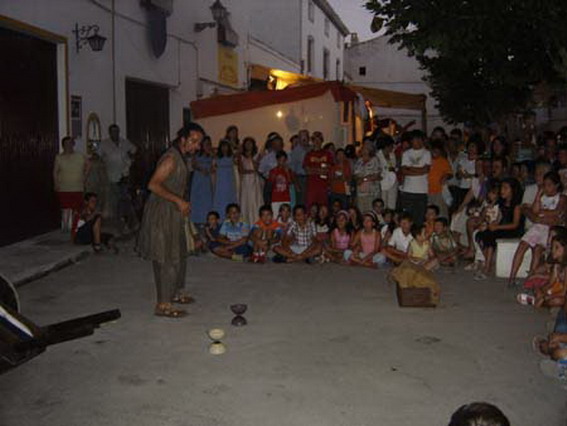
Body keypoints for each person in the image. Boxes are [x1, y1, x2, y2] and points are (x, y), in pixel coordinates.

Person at [137, 123, 204, 318]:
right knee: (166, 256)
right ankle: (163, 305)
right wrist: (178, 200)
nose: (197, 146)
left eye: (199, 142)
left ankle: (174, 293)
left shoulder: (182, 156)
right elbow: (153, 185)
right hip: (162, 211)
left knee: (179, 253)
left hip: (174, 211)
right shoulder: (170, 158)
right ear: (182, 140)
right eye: (194, 141)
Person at [509, 171, 566, 287]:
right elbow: (535, 211)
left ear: (556, 185)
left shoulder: (562, 197)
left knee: (538, 250)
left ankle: (531, 278)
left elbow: (557, 213)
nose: (546, 187)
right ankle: (512, 277)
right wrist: (538, 195)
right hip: (538, 227)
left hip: (551, 229)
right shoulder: (542, 197)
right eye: (544, 185)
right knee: (522, 245)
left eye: (549, 185)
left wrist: (541, 213)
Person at [474, 178, 525, 280]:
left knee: (491, 235)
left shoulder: (516, 206)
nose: (502, 190)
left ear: (513, 190)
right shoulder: (502, 204)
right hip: (502, 228)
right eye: (502, 188)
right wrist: (490, 225)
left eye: (506, 188)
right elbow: (499, 219)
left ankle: (487, 268)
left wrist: (497, 227)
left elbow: (515, 224)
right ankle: (490, 260)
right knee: (480, 234)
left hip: (513, 230)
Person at [99, 124, 137, 223]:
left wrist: (131, 157)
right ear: (110, 132)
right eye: (113, 131)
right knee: (113, 200)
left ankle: (125, 219)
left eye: (117, 131)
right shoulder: (104, 144)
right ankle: (115, 220)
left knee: (124, 199)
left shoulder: (124, 142)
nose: (115, 133)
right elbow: (97, 156)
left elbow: (134, 150)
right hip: (111, 176)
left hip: (124, 176)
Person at [518, 234, 567, 309]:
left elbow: (563, 292)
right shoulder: (556, 265)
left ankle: (539, 302)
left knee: (557, 301)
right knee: (538, 289)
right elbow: (550, 283)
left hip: (562, 295)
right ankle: (540, 301)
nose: (553, 250)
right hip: (556, 291)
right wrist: (542, 291)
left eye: (556, 247)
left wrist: (545, 297)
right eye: (552, 247)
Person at [53, 136, 88, 232]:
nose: (68, 146)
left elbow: (88, 165)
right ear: (63, 145)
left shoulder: (80, 156)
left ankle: (74, 227)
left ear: (73, 144)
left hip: (77, 186)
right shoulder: (59, 157)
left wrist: (84, 177)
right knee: (65, 208)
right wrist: (56, 183)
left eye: (70, 143)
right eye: (66, 144)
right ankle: (65, 227)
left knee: (76, 209)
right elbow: (55, 172)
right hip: (64, 187)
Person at [400, 130, 431, 225]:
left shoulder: (426, 153)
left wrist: (411, 169)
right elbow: (404, 171)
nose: (416, 142)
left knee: (420, 218)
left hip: (421, 191)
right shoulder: (406, 154)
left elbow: (425, 170)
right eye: (414, 139)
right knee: (408, 218)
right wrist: (418, 170)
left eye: (418, 139)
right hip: (408, 190)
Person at [303, 131, 333, 208]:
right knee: (310, 206)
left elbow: (327, 170)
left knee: (323, 206)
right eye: (315, 140)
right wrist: (319, 171)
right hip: (312, 186)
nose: (317, 142)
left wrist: (314, 170)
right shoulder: (309, 154)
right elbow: (307, 171)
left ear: (322, 141)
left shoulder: (327, 154)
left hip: (323, 186)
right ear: (312, 141)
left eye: (319, 139)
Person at [238, 137, 264, 225]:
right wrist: (250, 171)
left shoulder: (257, 155)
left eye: (250, 143)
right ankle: (246, 223)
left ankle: (256, 222)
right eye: (247, 143)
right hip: (246, 181)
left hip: (254, 180)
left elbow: (257, 168)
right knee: (246, 201)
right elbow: (241, 170)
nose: (248, 145)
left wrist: (252, 159)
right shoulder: (241, 156)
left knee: (255, 200)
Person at [190, 136, 215, 225]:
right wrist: (201, 169)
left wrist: (211, 169)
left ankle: (206, 219)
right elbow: (193, 164)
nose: (207, 145)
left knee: (207, 199)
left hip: (207, 179)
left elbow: (213, 167)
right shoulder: (196, 154)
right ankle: (196, 219)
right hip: (198, 178)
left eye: (208, 143)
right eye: (205, 143)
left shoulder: (211, 155)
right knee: (197, 198)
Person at [428, 141, 453, 218]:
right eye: (434, 150)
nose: (435, 153)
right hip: (427, 191)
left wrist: (446, 176)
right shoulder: (426, 159)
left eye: (438, 151)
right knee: (429, 213)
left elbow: (450, 173)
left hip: (439, 191)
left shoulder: (443, 161)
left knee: (441, 213)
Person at [354, 144, 382, 213]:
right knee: (361, 211)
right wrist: (357, 179)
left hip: (371, 191)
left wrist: (364, 179)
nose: (364, 151)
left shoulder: (375, 160)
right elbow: (355, 173)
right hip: (360, 191)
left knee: (370, 211)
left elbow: (377, 175)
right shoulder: (359, 161)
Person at [213, 139, 237, 215]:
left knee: (229, 197)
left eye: (226, 146)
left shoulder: (232, 157)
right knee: (220, 197)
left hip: (229, 181)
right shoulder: (216, 157)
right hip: (220, 181)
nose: (224, 148)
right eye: (223, 146)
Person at [259, 133, 284, 204]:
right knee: (270, 203)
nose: (278, 146)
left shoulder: (287, 156)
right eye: (275, 144)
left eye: (279, 144)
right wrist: (268, 178)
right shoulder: (267, 157)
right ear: (272, 145)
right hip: (271, 184)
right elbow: (260, 170)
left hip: (283, 184)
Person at [268, 151, 295, 216]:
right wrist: (275, 172)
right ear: (277, 160)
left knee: (286, 216)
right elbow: (270, 182)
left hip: (286, 197)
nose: (282, 162)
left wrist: (287, 172)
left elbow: (290, 183)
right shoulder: (273, 170)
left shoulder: (288, 170)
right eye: (280, 160)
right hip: (275, 198)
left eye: (284, 160)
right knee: (275, 216)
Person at [376, 136, 398, 210]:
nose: (392, 148)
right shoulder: (377, 156)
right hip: (382, 182)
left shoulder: (392, 155)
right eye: (391, 146)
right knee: (383, 202)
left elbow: (393, 167)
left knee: (392, 204)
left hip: (392, 181)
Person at [289, 130, 310, 206]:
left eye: (306, 137)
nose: (304, 139)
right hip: (301, 179)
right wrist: (296, 184)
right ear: (299, 139)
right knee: (301, 201)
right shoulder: (296, 151)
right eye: (302, 137)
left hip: (311, 178)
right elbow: (292, 170)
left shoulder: (311, 149)